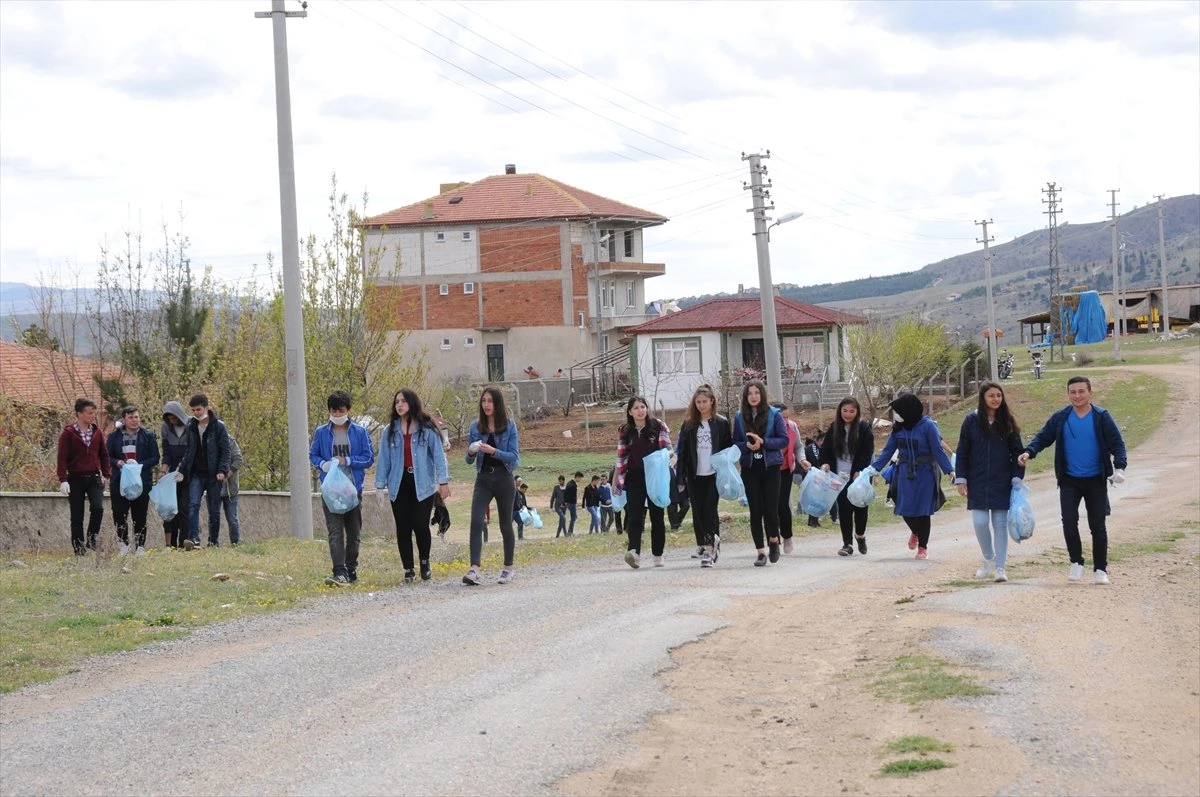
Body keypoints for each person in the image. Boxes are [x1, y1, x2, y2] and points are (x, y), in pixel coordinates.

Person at [1018, 376, 1127, 585]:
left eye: (1081, 391)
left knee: (1098, 526)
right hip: (1069, 480)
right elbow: (1043, 437)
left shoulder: (1101, 417)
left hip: (1096, 480)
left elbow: (1117, 444)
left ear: (1090, 393)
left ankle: (1100, 569)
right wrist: (1029, 452)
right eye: (1073, 392)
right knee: (1068, 521)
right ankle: (1076, 562)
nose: (1077, 396)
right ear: (1068, 394)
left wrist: (1120, 467)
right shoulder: (1061, 417)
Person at [376, 388, 451, 584]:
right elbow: (383, 459)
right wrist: (379, 486)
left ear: (412, 403)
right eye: (396, 401)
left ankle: (425, 563)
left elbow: (438, 456)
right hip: (398, 484)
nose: (399, 405)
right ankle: (408, 569)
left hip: (422, 483)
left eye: (403, 401)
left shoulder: (426, 429)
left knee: (420, 525)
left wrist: (443, 482)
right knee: (403, 527)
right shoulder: (389, 431)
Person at [955, 382, 1025, 584]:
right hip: (977, 481)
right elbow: (963, 451)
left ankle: (1001, 567)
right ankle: (988, 558)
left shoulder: (1008, 422)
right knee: (980, 523)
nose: (996, 399)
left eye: (999, 396)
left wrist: (1016, 476)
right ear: (983, 398)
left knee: (1000, 525)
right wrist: (961, 478)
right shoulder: (971, 421)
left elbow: (1017, 452)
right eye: (991, 396)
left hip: (1001, 481)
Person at [870, 393, 954, 560]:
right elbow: (887, 451)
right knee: (904, 507)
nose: (897, 415)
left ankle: (923, 547)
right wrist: (872, 469)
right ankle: (915, 531)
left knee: (923, 510)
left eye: (899, 411)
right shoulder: (899, 428)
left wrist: (950, 470)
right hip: (904, 472)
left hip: (925, 472)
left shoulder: (928, 426)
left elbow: (937, 450)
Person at [309, 391, 376, 585]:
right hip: (331, 491)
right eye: (334, 411)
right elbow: (313, 455)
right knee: (335, 531)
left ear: (348, 410)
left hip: (353, 489)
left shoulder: (359, 432)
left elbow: (368, 458)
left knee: (354, 532)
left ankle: (351, 567)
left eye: (341, 410)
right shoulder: (322, 432)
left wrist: (347, 460)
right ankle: (339, 571)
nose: (337, 415)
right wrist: (323, 464)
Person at [463, 386, 521, 585]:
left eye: (490, 401)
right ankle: (473, 569)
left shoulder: (509, 426)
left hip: (504, 478)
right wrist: (471, 452)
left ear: (497, 404)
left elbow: (514, 457)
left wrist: (494, 451)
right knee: (476, 520)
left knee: (506, 523)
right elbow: (468, 460)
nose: (486, 405)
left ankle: (508, 568)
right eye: (483, 401)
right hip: (483, 479)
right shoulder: (475, 427)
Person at [675, 383, 732, 567]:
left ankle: (710, 549)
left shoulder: (721, 423)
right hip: (695, 475)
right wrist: (680, 477)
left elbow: (727, 450)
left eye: (704, 401)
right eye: (698, 402)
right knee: (698, 511)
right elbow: (682, 452)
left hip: (714, 475)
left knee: (710, 510)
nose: (701, 405)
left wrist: (728, 473)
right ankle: (706, 543)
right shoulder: (689, 424)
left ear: (712, 401)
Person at [733, 380, 788, 567]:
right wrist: (747, 446)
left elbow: (783, 440)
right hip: (750, 469)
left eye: (757, 392)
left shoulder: (775, 414)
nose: (753, 396)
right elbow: (735, 443)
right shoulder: (740, 417)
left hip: (771, 468)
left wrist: (763, 442)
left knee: (771, 510)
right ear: (745, 397)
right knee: (755, 510)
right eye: (750, 393)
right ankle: (760, 552)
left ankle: (774, 539)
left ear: (762, 395)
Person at [614, 395, 672, 568]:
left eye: (643, 407)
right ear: (630, 412)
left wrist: (666, 458)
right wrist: (616, 478)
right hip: (634, 475)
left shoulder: (658, 426)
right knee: (634, 515)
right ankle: (634, 552)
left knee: (657, 514)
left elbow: (668, 449)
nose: (640, 411)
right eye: (636, 408)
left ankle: (658, 554)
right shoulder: (626, 430)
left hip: (655, 475)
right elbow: (621, 456)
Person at [820, 397, 875, 557]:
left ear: (857, 412)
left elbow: (868, 452)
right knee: (844, 510)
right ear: (840, 411)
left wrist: (859, 470)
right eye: (845, 410)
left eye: (852, 411)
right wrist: (825, 464)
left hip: (859, 476)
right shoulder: (834, 427)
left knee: (860, 509)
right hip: (840, 476)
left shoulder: (864, 429)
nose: (848, 414)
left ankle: (860, 535)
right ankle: (847, 544)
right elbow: (826, 450)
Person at [57, 398, 111, 555]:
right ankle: (79, 549)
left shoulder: (97, 432)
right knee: (77, 515)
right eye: (89, 413)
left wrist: (106, 474)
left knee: (98, 508)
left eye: (94, 412)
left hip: (94, 477)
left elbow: (104, 455)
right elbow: (61, 458)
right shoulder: (68, 434)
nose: (92, 416)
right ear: (79, 414)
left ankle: (92, 540)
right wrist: (63, 479)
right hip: (75, 478)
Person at [106, 406, 160, 555]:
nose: (135, 420)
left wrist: (140, 465)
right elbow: (106, 456)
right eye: (131, 417)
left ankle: (140, 546)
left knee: (140, 514)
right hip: (120, 480)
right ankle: (123, 544)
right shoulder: (114, 437)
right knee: (119, 512)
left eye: (136, 417)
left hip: (141, 481)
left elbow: (155, 458)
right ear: (123, 419)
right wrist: (118, 463)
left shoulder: (147, 436)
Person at [184, 394, 231, 549]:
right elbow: (189, 451)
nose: (196, 413)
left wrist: (222, 470)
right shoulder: (191, 427)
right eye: (193, 410)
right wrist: (181, 470)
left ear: (206, 408)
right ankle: (194, 538)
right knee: (193, 504)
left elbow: (225, 451)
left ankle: (213, 541)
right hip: (197, 473)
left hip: (213, 475)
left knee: (214, 509)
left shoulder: (218, 426)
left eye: (199, 409)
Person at [158, 401, 194, 548]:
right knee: (172, 508)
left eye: (174, 418)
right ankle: (171, 544)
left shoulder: (191, 426)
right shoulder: (166, 428)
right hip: (172, 473)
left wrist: (182, 469)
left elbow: (191, 452)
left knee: (185, 507)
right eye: (170, 419)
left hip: (188, 472)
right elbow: (166, 453)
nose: (173, 421)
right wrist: (163, 470)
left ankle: (183, 542)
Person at [773, 402, 804, 555]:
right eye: (781, 418)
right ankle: (773, 537)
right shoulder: (766, 429)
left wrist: (802, 459)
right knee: (770, 505)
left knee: (782, 504)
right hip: (769, 469)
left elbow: (798, 446)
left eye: (787, 417)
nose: (785, 421)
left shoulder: (791, 427)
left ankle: (787, 536)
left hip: (786, 469)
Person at [220, 435, 244, 546]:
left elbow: (238, 460)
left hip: (230, 489)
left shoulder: (230, 441)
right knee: (213, 518)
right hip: (214, 488)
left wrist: (227, 475)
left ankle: (235, 543)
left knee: (232, 519)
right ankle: (213, 543)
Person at [803, 434, 823, 528]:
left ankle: (814, 520)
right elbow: (817, 462)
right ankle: (812, 521)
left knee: (818, 499)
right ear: (819, 440)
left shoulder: (819, 448)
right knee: (814, 499)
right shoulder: (812, 449)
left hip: (818, 477)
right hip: (811, 477)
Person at [666, 464, 691, 531]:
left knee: (686, 505)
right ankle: (674, 526)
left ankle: (676, 521)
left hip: (682, 489)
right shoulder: (667, 467)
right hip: (671, 488)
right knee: (672, 508)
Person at [563, 471, 582, 536]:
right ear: (577, 477)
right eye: (580, 478)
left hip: (569, 503)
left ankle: (570, 531)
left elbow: (565, 493)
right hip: (571, 503)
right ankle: (570, 532)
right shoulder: (573, 485)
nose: (580, 480)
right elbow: (569, 494)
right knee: (573, 517)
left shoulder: (569, 483)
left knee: (574, 517)